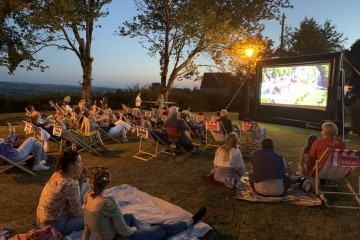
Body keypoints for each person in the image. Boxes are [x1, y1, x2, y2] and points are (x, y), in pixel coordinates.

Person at [82, 167, 207, 240]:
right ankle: (188, 222)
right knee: (162, 229)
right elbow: (125, 232)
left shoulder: (88, 197)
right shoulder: (108, 203)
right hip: (120, 237)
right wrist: (133, 229)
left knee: (129, 217)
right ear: (107, 183)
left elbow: (87, 227)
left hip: (107, 235)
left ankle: (145, 233)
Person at [36, 150, 89, 235]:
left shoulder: (56, 174)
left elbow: (73, 196)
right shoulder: (70, 184)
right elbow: (78, 213)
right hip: (56, 225)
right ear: (71, 165)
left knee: (86, 183)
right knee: (94, 217)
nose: (82, 164)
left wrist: (81, 179)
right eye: (79, 162)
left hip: (41, 219)